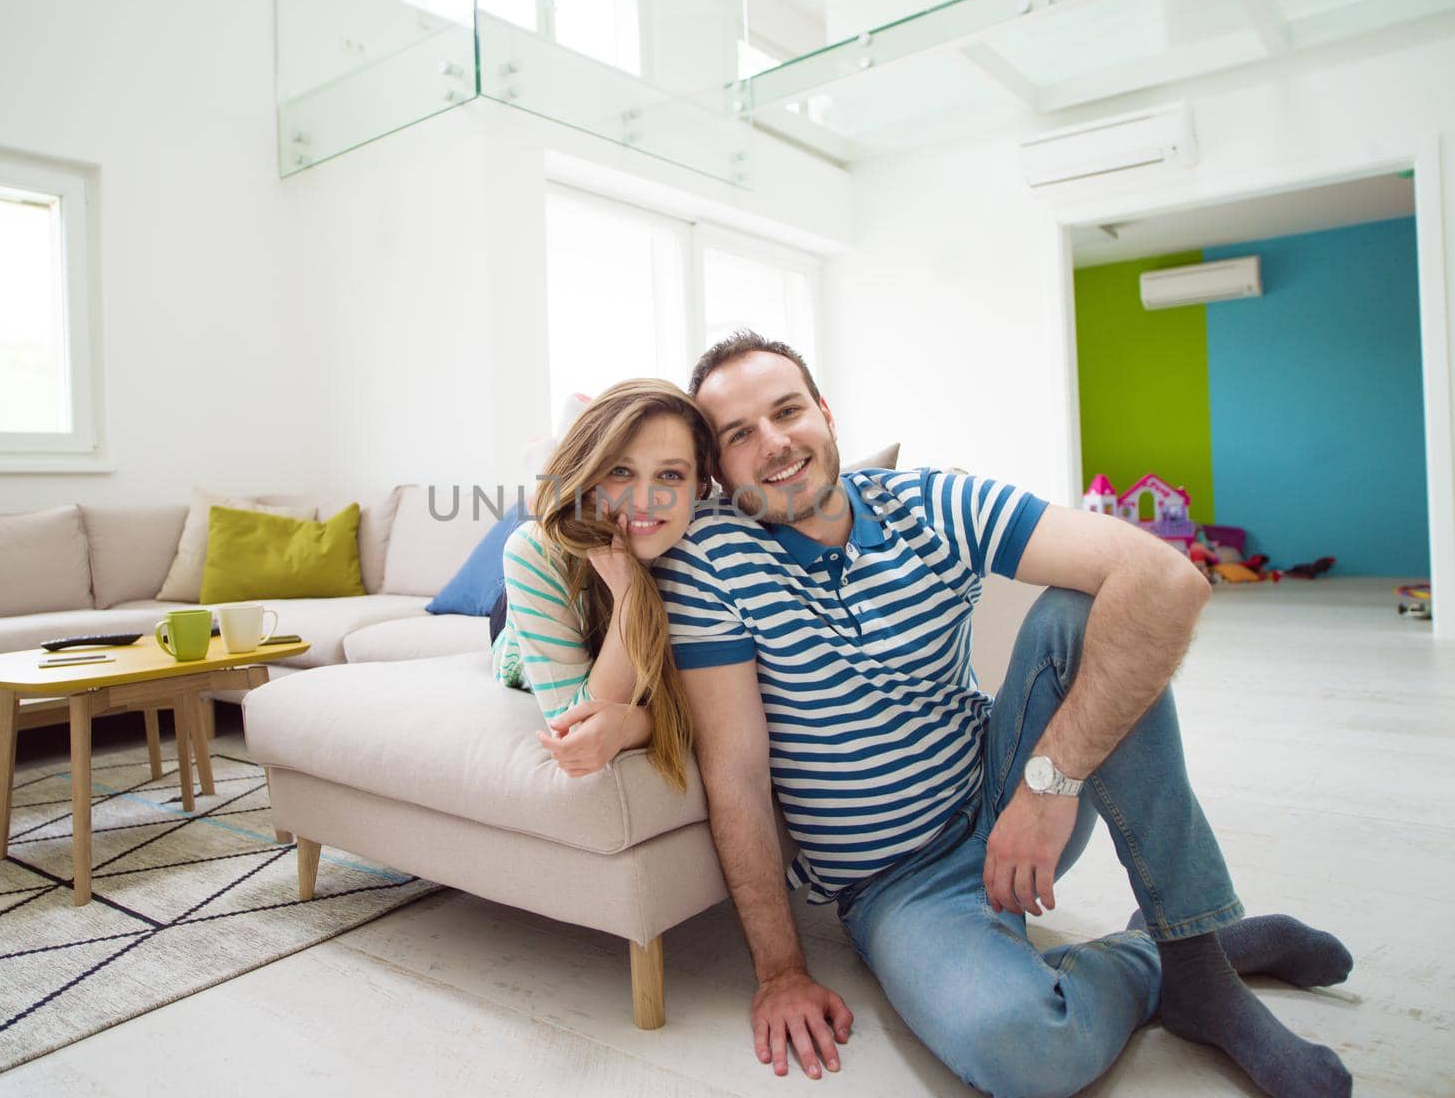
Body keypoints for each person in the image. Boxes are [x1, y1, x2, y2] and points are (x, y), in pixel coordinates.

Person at [653, 330, 1353, 1098]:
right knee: (1024, 1051)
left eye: (788, 411)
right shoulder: (711, 560)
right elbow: (739, 775)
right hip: (895, 885)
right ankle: (1172, 960)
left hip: (1009, 793)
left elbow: (1168, 581)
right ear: (717, 470)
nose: (776, 444)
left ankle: (1199, 967)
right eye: (740, 435)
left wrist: (1046, 788)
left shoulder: (929, 501)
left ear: (825, 411)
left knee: (1099, 614)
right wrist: (781, 970)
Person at [492, 378, 717, 788]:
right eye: (620, 471)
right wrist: (630, 593)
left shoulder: (709, 548)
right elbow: (577, 726)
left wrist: (634, 725)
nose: (645, 499)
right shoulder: (532, 553)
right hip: (530, 618)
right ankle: (552, 465)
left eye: (670, 474)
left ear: (700, 486)